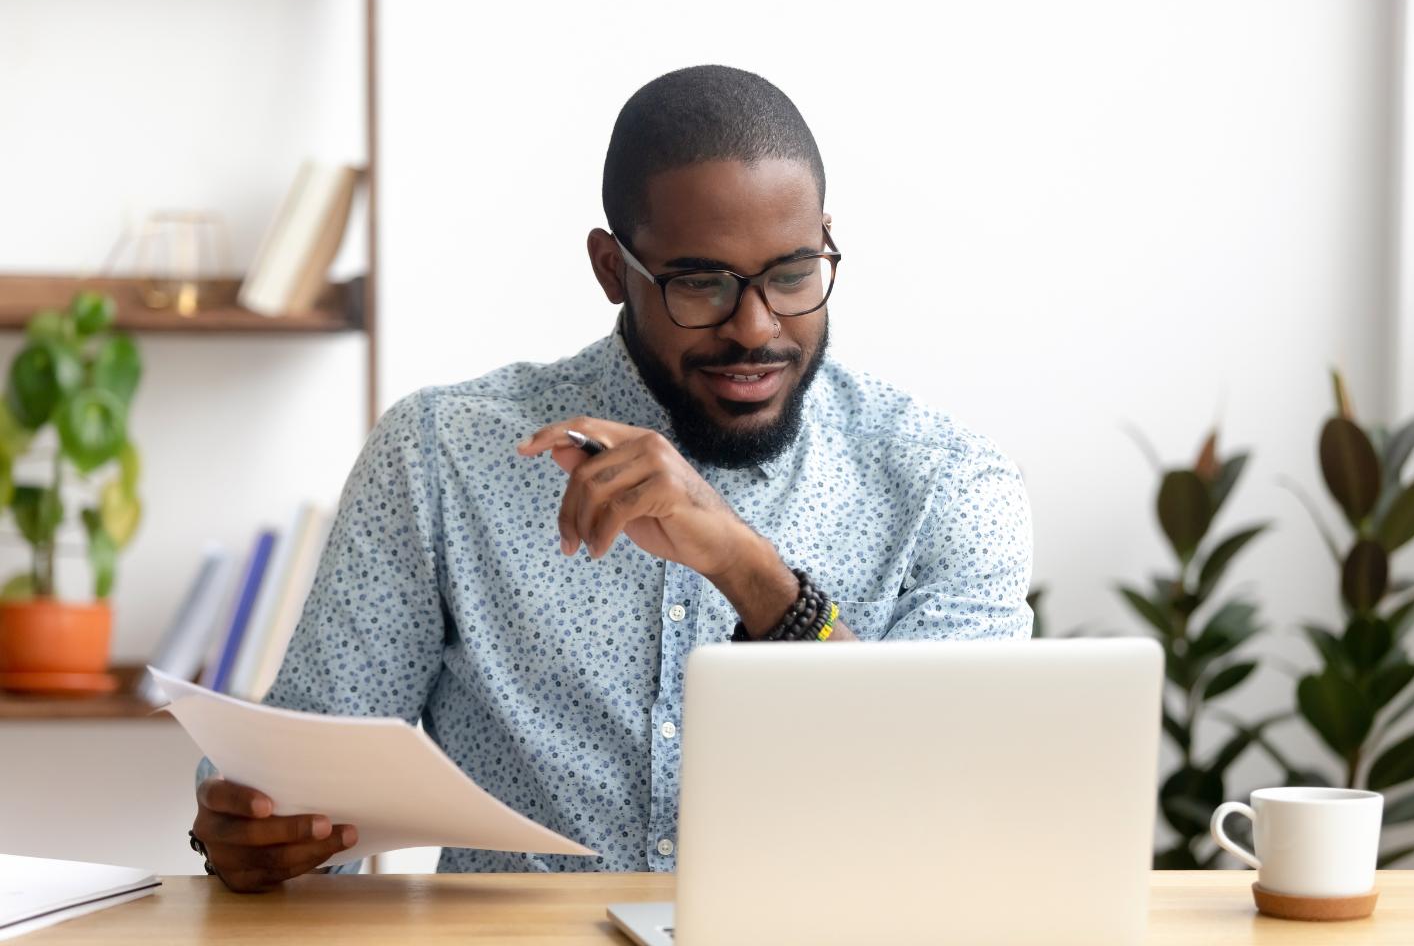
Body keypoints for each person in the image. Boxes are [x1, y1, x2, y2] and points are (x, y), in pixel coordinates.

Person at [190, 64, 1033, 893]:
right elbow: (308, 780)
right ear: (610, 268)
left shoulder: (949, 486)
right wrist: (257, 829)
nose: (756, 327)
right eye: (700, 284)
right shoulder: (442, 455)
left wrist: (747, 568)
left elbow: (945, 803)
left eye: (791, 274)